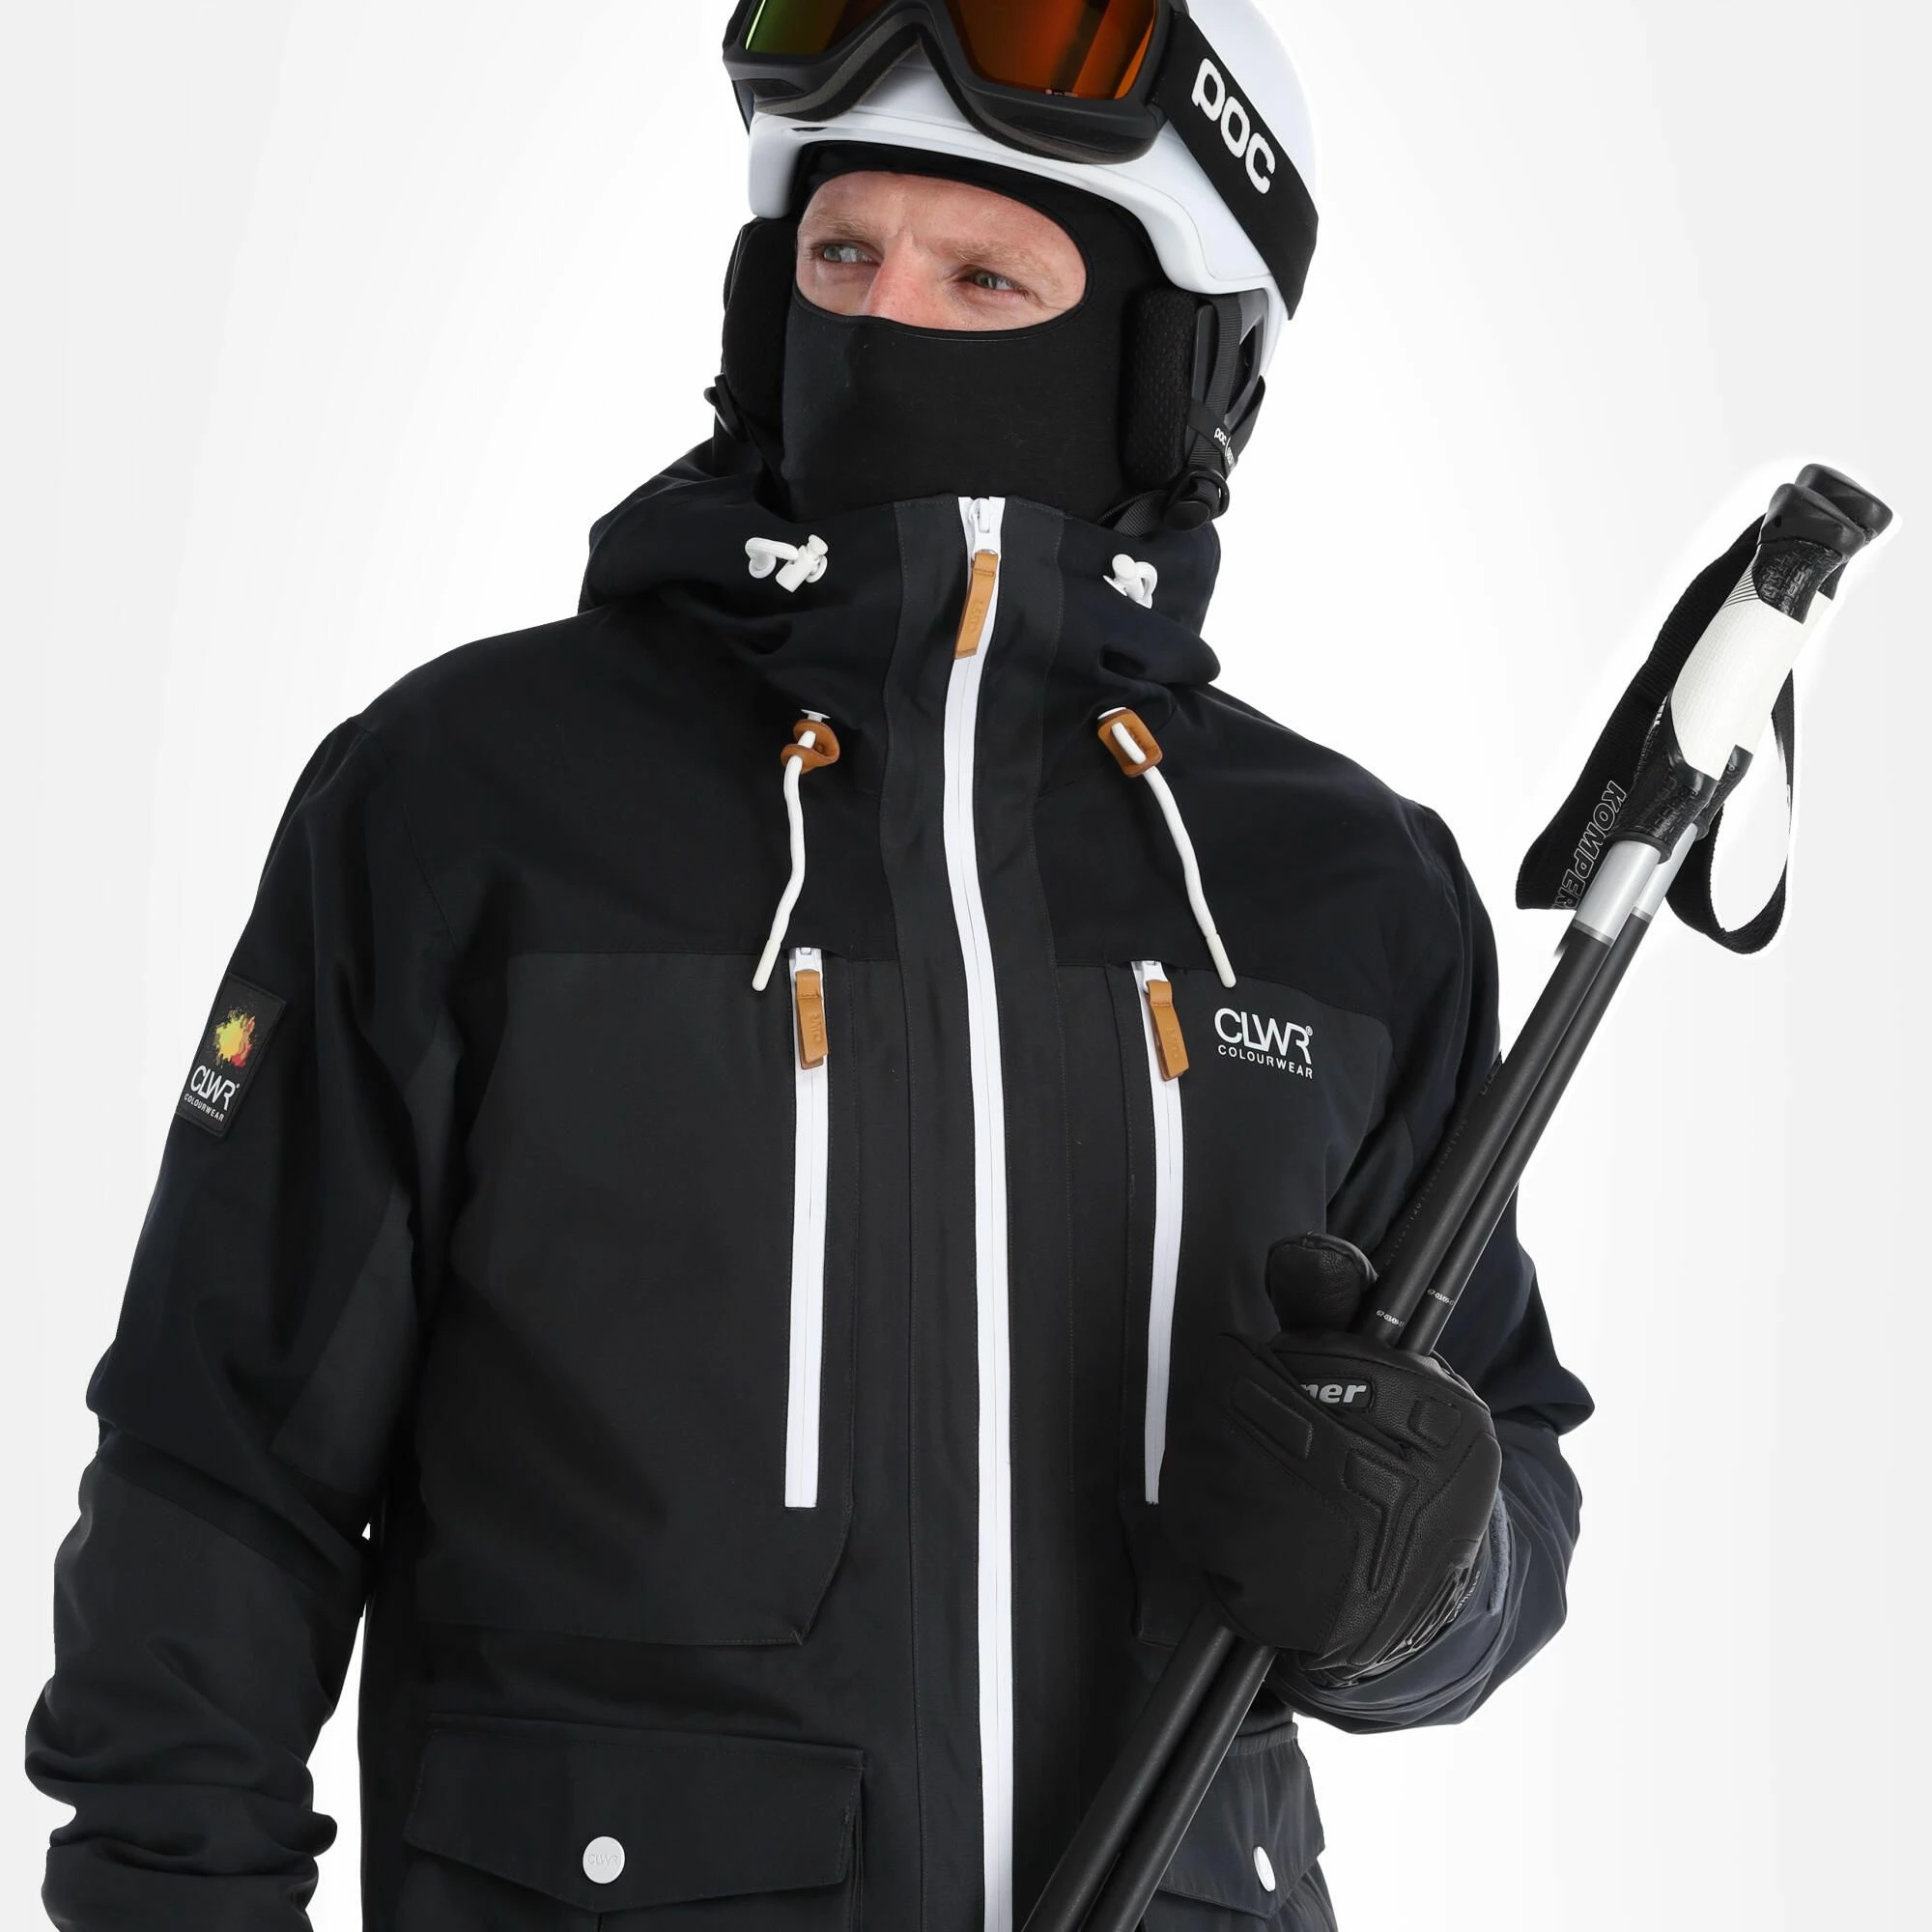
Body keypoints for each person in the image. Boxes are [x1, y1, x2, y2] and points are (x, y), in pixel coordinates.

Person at [24, 4, 1592, 1927]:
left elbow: (1505, 1452)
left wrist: (1420, 1579)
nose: (886, 320)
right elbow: (218, 1477)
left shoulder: (1340, 886)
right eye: (842, 254)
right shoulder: (473, 800)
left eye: (985, 277)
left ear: (1172, 365)